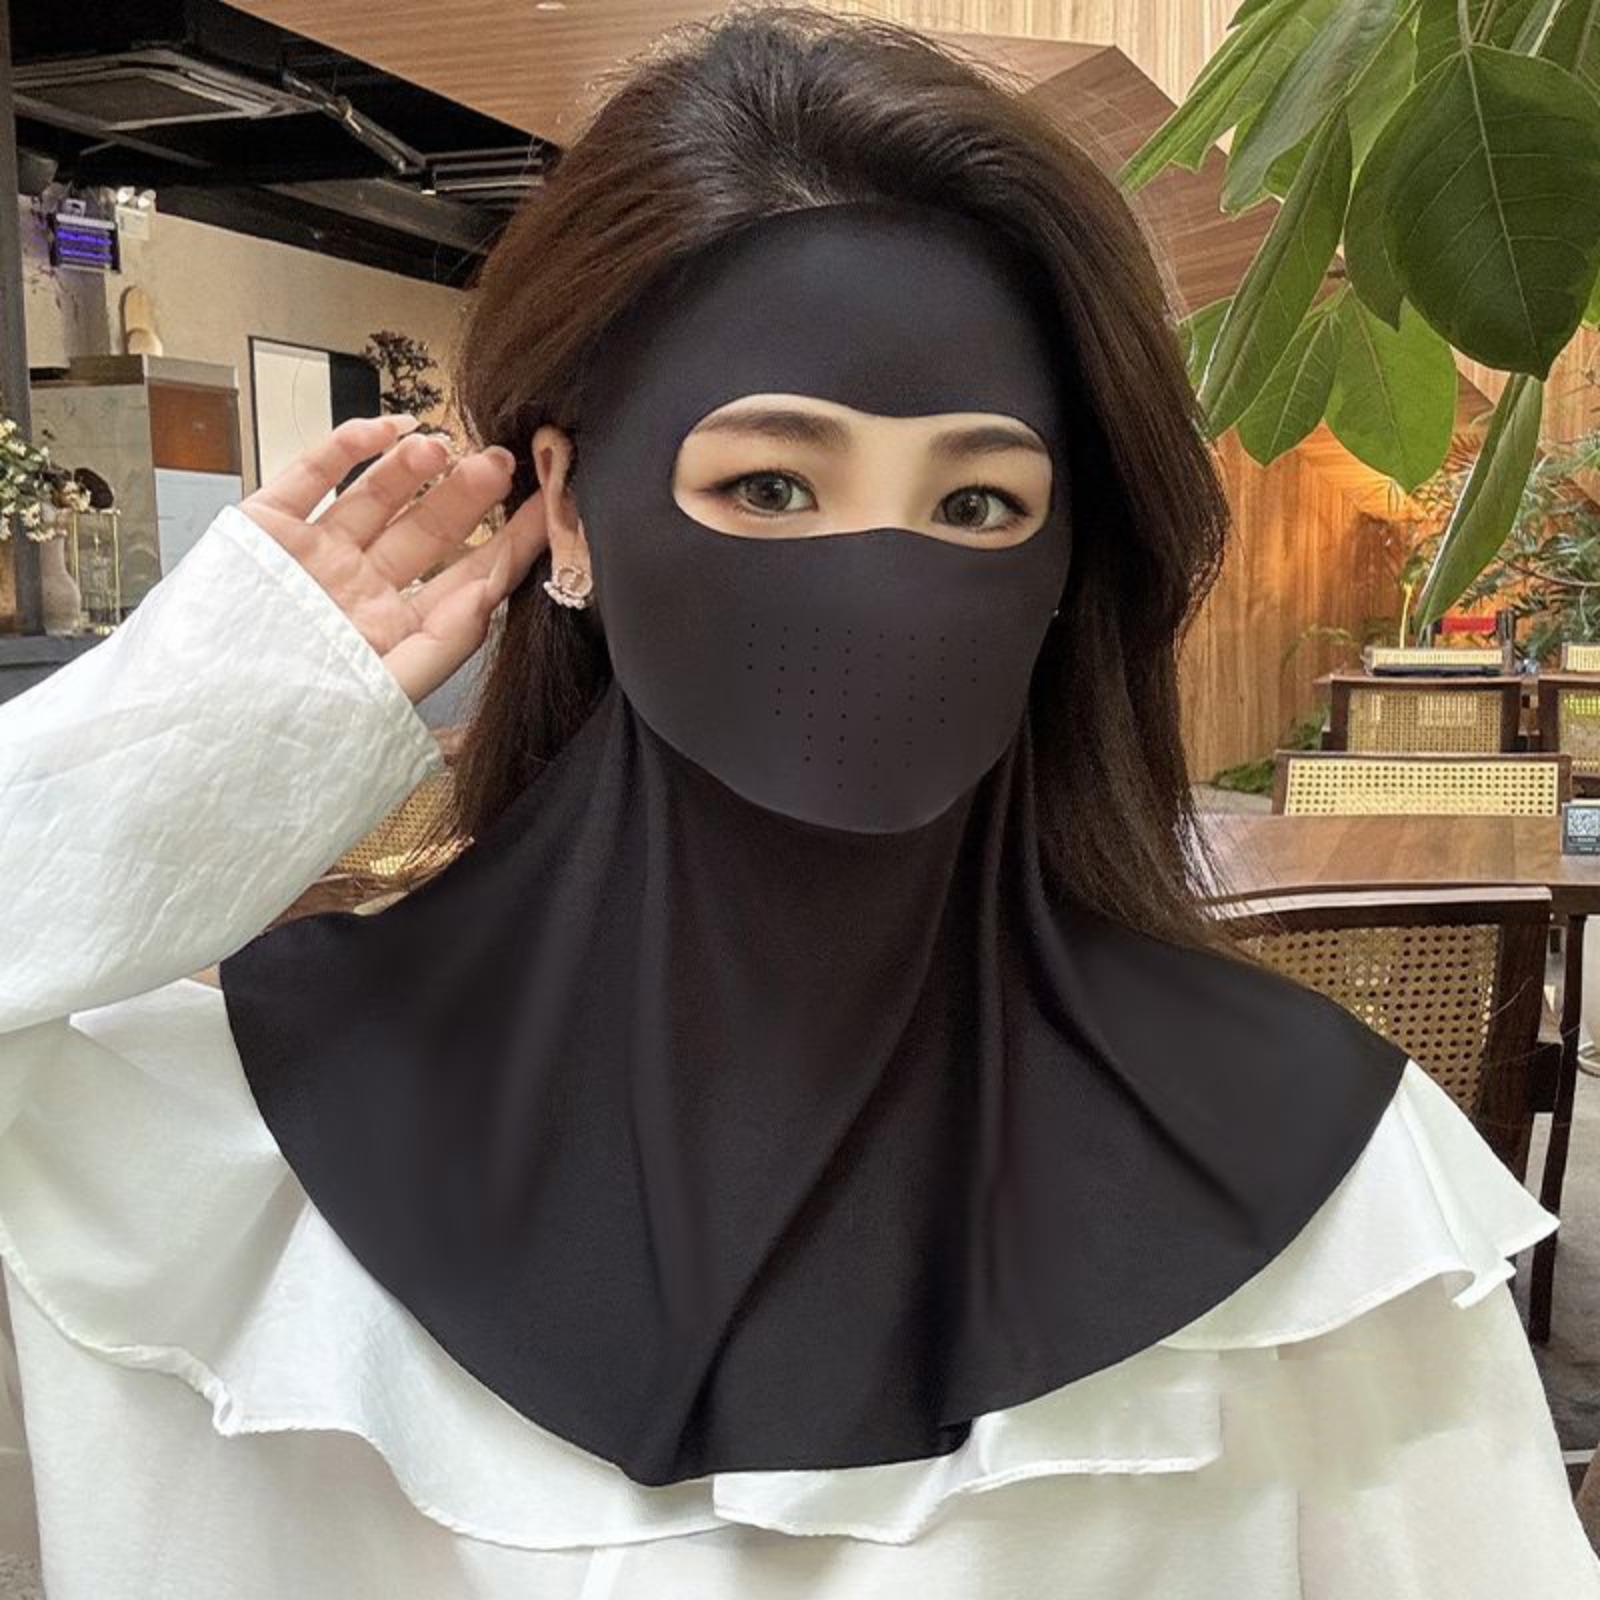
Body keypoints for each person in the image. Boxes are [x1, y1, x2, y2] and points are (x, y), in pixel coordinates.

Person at [1, 8, 1596, 1596]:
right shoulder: (226, 1154)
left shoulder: (1316, 1187)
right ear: (570, 508)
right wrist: (211, 718)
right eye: (768, 486)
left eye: (977, 503)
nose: (879, 596)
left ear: (1064, 574)